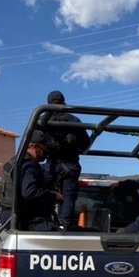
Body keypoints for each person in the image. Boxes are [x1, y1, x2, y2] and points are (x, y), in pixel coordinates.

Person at [41, 90, 90, 229]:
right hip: (70, 163)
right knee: (68, 197)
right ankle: (65, 226)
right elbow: (85, 143)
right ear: (64, 102)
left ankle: (43, 222)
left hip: (52, 163)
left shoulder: (43, 119)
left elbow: (37, 140)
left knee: (44, 193)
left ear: (49, 104)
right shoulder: (74, 120)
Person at [0, 130, 63, 231]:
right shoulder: (29, 165)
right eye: (44, 150)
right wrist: (54, 195)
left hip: (9, 216)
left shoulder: (15, 161)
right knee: (60, 236)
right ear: (34, 146)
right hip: (25, 219)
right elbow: (29, 192)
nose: (46, 154)